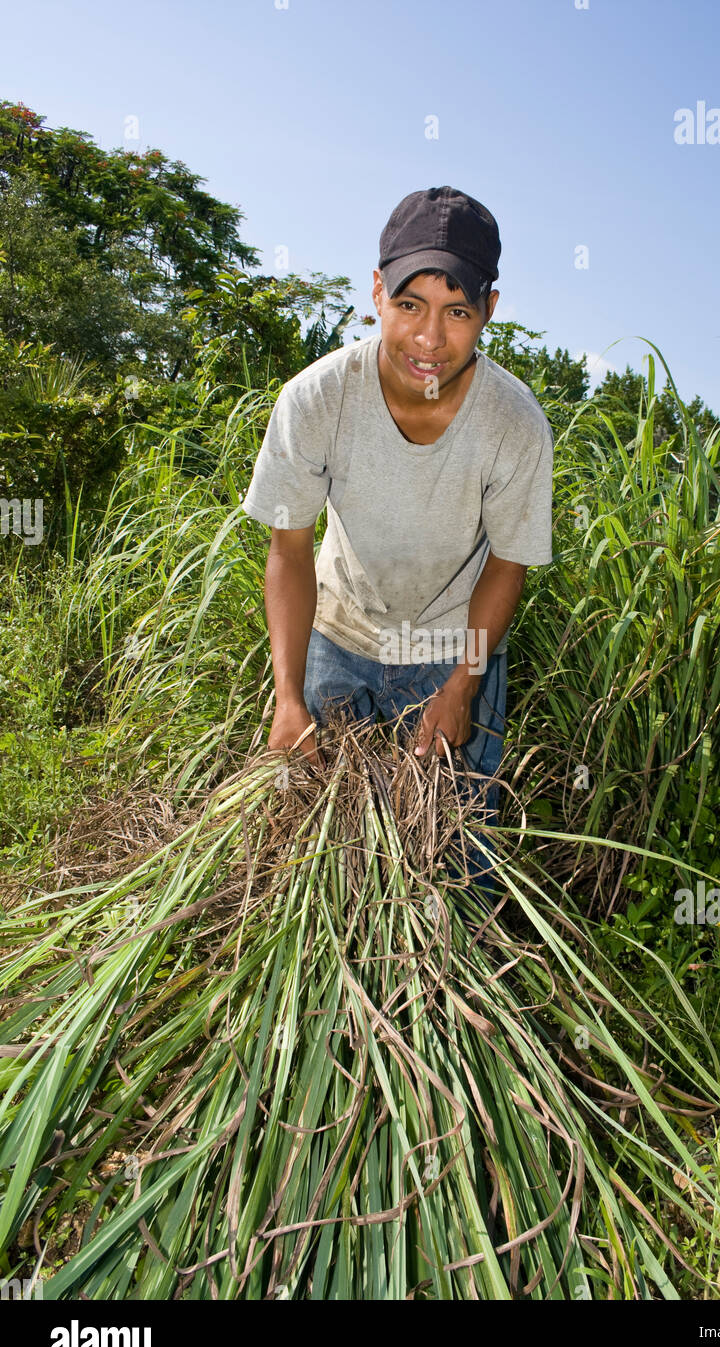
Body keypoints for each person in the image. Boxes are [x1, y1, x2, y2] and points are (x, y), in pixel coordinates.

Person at [241, 185, 554, 901]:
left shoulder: (514, 423)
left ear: (489, 310)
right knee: (315, 848)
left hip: (452, 644)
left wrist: (462, 686)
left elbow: (508, 564)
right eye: (410, 305)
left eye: (457, 312)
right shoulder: (317, 398)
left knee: (456, 857)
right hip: (340, 631)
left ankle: (453, 963)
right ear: (378, 292)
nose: (429, 339)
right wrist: (288, 697)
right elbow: (289, 551)